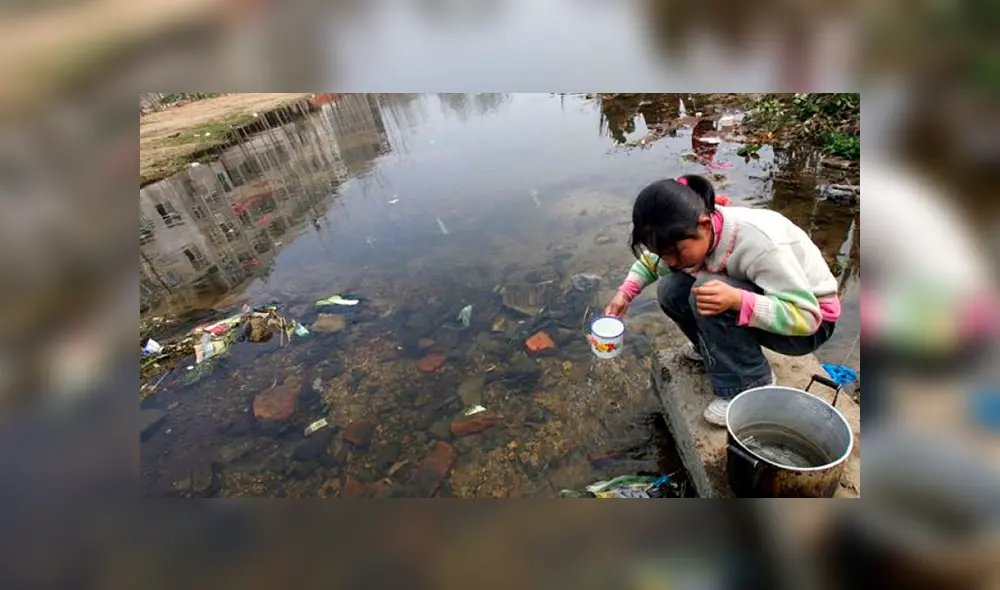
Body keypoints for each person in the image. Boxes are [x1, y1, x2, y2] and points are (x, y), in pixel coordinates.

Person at [605, 175, 840, 426]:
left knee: (708, 292)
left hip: (807, 324)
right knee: (671, 290)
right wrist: (624, 294)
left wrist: (739, 300)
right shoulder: (691, 234)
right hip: (774, 304)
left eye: (675, 252)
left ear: (705, 225)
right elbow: (653, 264)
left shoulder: (758, 243)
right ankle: (710, 348)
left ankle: (749, 383)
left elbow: (808, 319)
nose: (670, 261)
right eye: (663, 253)